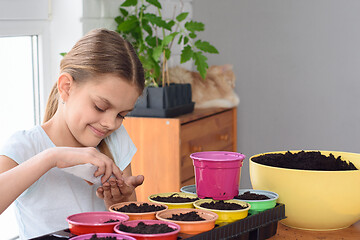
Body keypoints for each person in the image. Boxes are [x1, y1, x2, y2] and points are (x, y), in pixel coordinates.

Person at [0, 28, 145, 239]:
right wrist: (54, 156)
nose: (110, 123)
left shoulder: (116, 140)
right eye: (100, 107)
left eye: (121, 114)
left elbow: (131, 228)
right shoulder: (26, 146)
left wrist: (120, 206)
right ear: (66, 87)